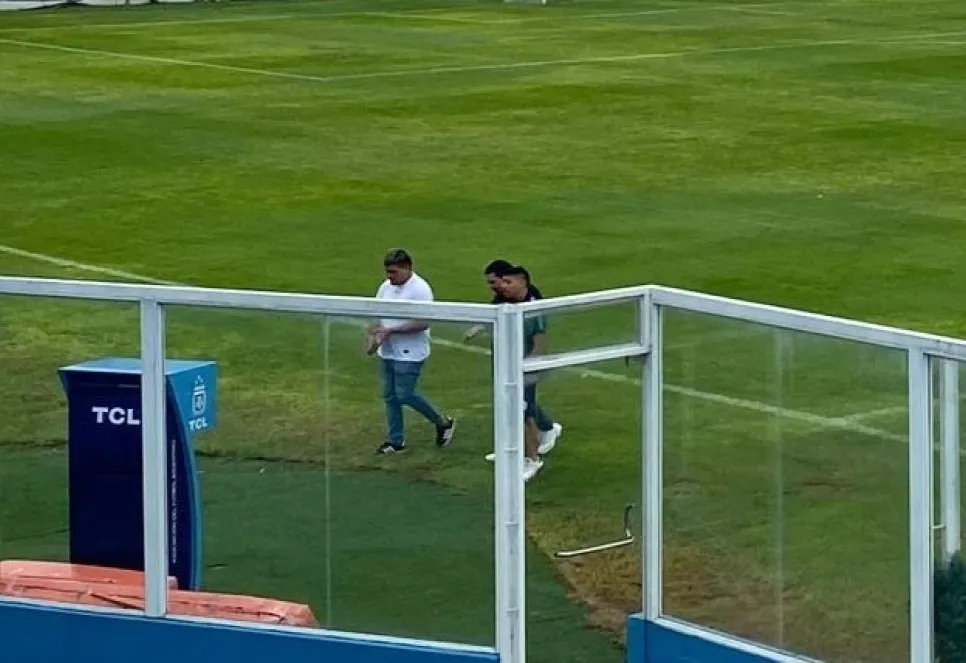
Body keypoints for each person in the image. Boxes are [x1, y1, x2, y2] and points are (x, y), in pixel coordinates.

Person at [367, 248, 456, 455]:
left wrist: (391, 331)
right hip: (388, 350)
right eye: (387, 272)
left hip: (411, 351)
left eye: (394, 272)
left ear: (407, 268)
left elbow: (423, 322)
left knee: (405, 394)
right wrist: (373, 337)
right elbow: (375, 312)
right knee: (390, 396)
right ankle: (395, 441)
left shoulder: (420, 290)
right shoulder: (386, 287)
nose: (389, 277)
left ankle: (443, 421)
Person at [491, 265, 561, 482]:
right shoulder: (508, 303)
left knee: (522, 413)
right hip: (507, 365)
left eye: (508, 282)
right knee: (512, 409)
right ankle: (512, 450)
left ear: (523, 282)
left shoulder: (533, 310)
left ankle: (532, 459)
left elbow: (541, 343)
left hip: (523, 369)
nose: (503, 287)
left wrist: (530, 368)